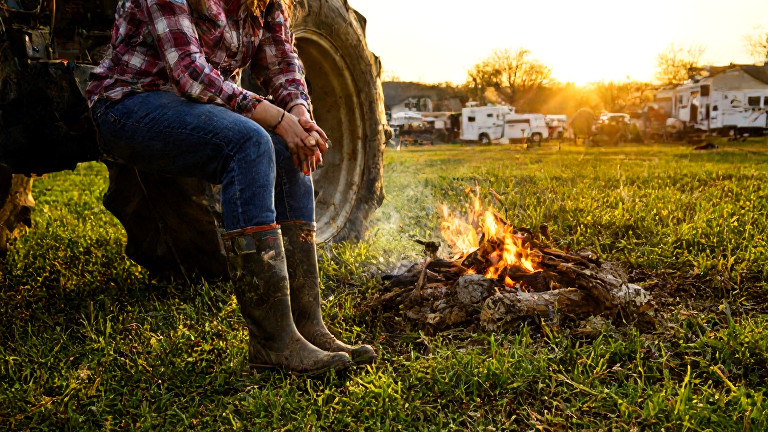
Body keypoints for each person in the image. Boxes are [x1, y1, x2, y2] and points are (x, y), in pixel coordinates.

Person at [85, 0, 376, 374]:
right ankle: (272, 342)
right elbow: (190, 73)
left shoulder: (266, 3)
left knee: (287, 148)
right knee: (251, 142)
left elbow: (283, 63)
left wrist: (299, 113)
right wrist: (276, 117)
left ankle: (307, 327)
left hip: (199, 108)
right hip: (130, 104)